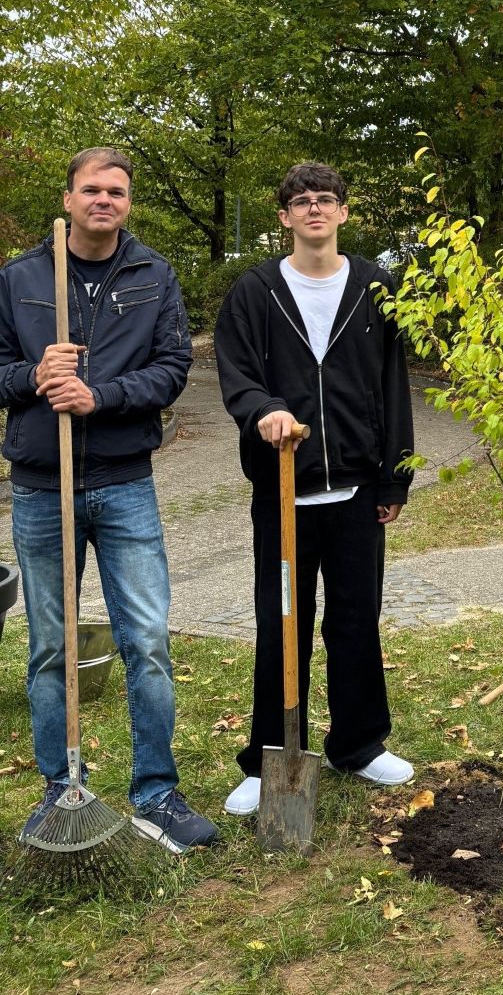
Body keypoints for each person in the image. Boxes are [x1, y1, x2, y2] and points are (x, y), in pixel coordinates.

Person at [0, 147, 219, 853]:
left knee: (147, 642)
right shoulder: (20, 279)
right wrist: (34, 374)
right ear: (67, 199)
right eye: (91, 189)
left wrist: (99, 396)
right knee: (50, 649)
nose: (104, 199)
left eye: (116, 191)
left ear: (128, 203)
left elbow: (173, 367)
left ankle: (156, 792)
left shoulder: (152, 276)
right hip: (41, 489)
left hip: (125, 483)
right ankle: (60, 788)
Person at [215, 162, 416, 815]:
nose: (314, 211)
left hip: (358, 492)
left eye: (325, 200)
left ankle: (357, 745)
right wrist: (262, 409)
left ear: (344, 213)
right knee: (283, 625)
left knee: (357, 619)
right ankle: (269, 755)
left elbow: (393, 386)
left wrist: (395, 476)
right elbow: (237, 371)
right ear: (284, 217)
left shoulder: (374, 287)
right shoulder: (256, 292)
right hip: (283, 495)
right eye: (301, 202)